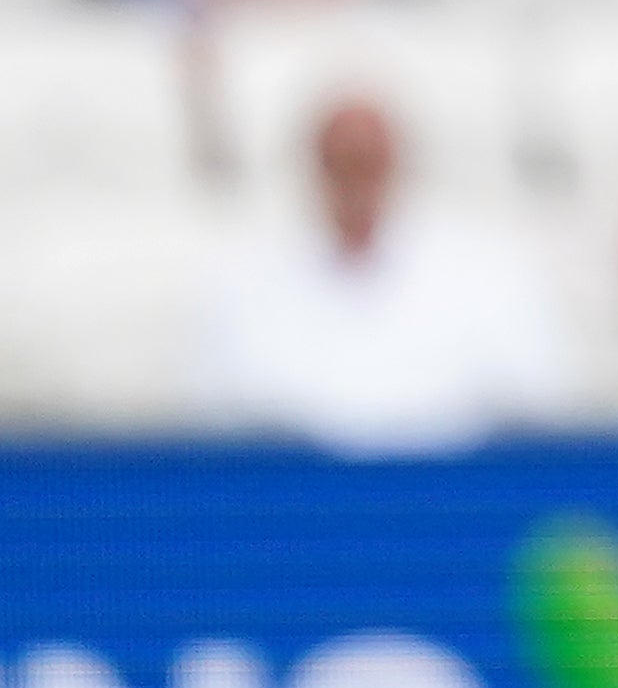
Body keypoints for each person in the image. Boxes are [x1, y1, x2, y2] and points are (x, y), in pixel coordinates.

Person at [198, 96, 578, 454]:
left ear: (398, 163)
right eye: (341, 162)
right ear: (315, 167)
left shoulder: (490, 276)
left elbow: (542, 415)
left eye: (368, 161)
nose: (356, 180)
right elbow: (207, 427)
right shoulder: (243, 285)